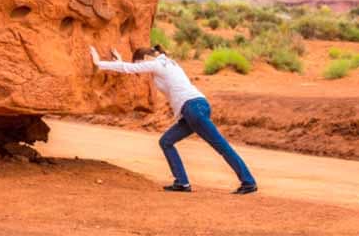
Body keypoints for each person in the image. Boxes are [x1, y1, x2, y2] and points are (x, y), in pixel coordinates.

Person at [89, 45, 257, 194]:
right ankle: (182, 183)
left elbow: (130, 68)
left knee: (222, 146)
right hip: (196, 107)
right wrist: (120, 61)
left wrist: (99, 63)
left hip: (193, 109)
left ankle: (248, 182)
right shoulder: (168, 62)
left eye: (140, 62)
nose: (141, 66)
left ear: (146, 58)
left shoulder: (157, 64)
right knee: (166, 141)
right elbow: (132, 67)